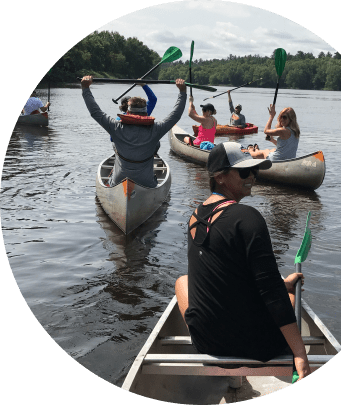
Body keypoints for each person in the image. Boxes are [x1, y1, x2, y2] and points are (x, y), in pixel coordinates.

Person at [175, 141, 311, 381]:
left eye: (255, 171)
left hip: (206, 342)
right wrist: (299, 353)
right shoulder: (248, 218)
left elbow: (227, 275)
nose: (253, 177)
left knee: (182, 282)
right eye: (245, 172)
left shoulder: (195, 215)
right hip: (253, 346)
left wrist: (282, 284)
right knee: (288, 299)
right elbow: (270, 292)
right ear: (220, 176)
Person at [81, 75, 187, 188]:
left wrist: (85, 89)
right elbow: (176, 115)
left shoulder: (116, 126)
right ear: (146, 113)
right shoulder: (156, 129)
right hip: (146, 182)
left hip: (119, 180)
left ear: (128, 112)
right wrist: (182, 92)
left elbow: (95, 112)